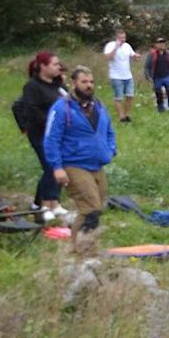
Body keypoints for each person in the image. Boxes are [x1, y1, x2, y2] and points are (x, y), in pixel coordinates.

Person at [43, 66, 117, 243]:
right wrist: (57, 167)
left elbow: (109, 130)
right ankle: (77, 247)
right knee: (90, 208)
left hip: (97, 164)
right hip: (74, 164)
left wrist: (111, 149)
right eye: (84, 82)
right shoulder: (61, 108)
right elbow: (51, 139)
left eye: (91, 82)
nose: (89, 85)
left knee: (97, 208)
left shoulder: (98, 106)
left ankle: (87, 243)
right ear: (73, 83)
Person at [14, 51, 67, 218]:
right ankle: (47, 205)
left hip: (59, 134)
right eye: (54, 64)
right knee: (50, 166)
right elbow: (30, 110)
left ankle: (40, 203)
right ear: (43, 67)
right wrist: (52, 123)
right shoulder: (32, 86)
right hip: (40, 133)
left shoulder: (59, 85)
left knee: (58, 165)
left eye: (59, 64)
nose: (59, 67)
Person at [103, 29, 138, 123]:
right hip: (116, 76)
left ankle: (127, 115)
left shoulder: (127, 46)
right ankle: (121, 117)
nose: (123, 40)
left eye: (124, 38)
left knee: (130, 96)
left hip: (128, 75)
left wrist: (135, 57)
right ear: (116, 38)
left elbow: (132, 56)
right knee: (119, 97)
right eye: (121, 38)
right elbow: (107, 58)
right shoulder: (110, 45)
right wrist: (116, 48)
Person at [143, 38, 169, 113]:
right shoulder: (152, 55)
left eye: (163, 43)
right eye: (159, 43)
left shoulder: (168, 55)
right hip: (157, 77)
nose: (161, 45)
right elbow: (147, 66)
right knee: (158, 94)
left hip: (167, 76)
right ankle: (161, 110)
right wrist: (148, 76)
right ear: (156, 45)